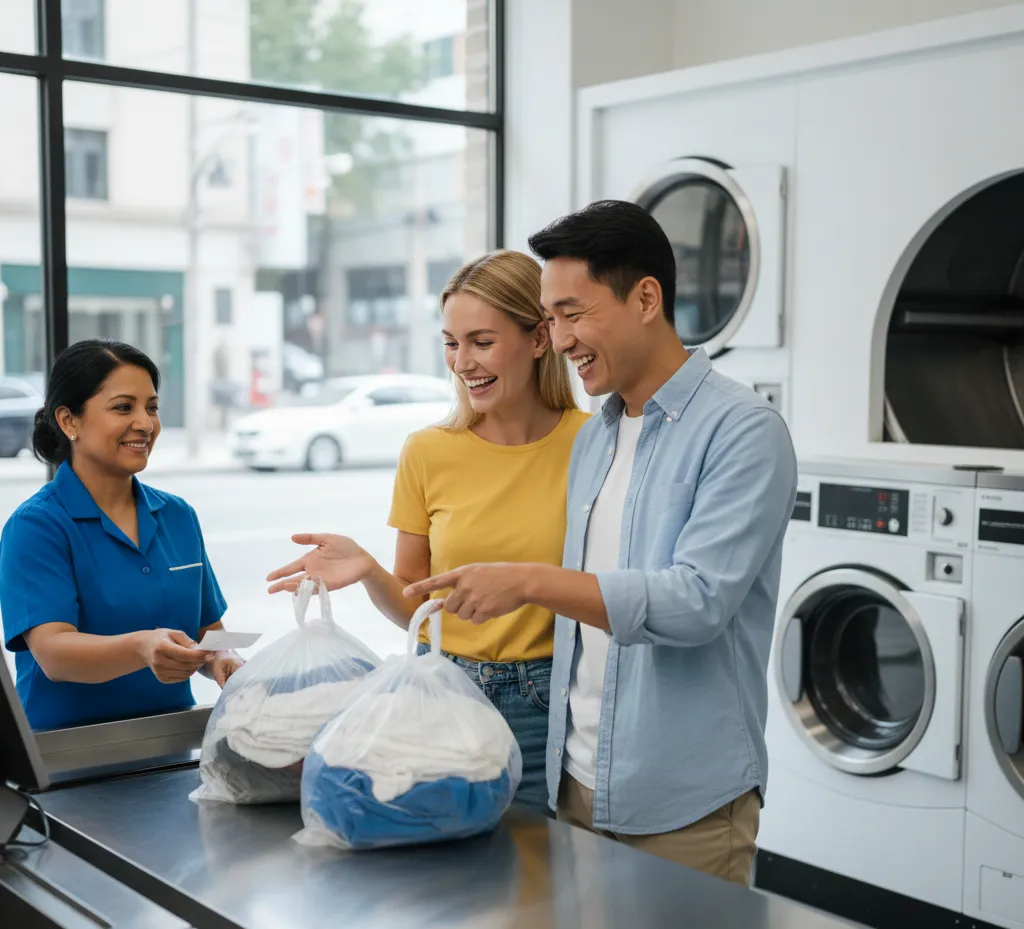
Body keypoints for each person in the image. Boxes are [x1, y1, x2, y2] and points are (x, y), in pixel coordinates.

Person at [403, 201, 798, 885]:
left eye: (572, 313)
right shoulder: (597, 437)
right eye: (549, 318)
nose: (558, 340)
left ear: (645, 298)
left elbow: (696, 602)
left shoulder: (743, 430)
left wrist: (527, 580)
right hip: (573, 781)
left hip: (682, 798)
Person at [266, 250, 589, 816]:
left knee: (534, 865)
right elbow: (418, 607)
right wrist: (369, 570)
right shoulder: (427, 451)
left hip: (551, 703)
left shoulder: (592, 445)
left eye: (481, 342)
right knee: (441, 864)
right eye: (450, 343)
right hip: (443, 691)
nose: (462, 362)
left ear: (540, 338)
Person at [0, 340, 241, 731]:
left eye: (152, 407)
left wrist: (223, 656)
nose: (145, 424)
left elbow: (207, 630)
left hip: (172, 742)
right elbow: (54, 654)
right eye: (123, 407)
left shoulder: (177, 516)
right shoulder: (36, 526)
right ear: (69, 421)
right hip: (67, 752)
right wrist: (142, 647)